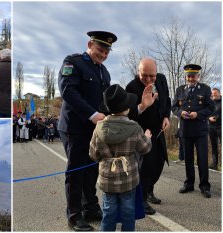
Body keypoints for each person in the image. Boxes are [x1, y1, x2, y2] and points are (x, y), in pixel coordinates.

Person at [58, 31, 116, 231]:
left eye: (107, 51)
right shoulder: (73, 62)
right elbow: (67, 91)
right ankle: (74, 215)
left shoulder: (104, 72)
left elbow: (106, 101)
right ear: (90, 44)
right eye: (100, 49)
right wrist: (92, 114)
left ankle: (90, 206)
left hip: (95, 130)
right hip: (74, 128)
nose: (103, 54)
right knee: (76, 171)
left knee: (91, 170)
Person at [90, 84, 152, 231]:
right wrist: (147, 138)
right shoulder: (135, 127)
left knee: (108, 212)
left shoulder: (98, 128)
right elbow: (145, 148)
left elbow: (93, 155)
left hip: (107, 180)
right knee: (128, 212)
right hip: (128, 179)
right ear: (127, 108)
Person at [125, 58, 171, 215]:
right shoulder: (131, 87)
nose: (148, 79)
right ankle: (141, 199)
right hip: (143, 134)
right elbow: (129, 114)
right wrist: (143, 106)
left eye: (152, 76)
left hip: (159, 131)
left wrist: (166, 117)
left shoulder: (162, 80)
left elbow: (167, 100)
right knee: (145, 167)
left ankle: (149, 190)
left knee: (159, 164)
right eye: (144, 75)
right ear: (138, 72)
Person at [172, 64, 214, 198]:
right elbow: (173, 107)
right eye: (188, 76)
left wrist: (198, 114)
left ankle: (204, 186)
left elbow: (211, 108)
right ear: (186, 76)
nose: (191, 78)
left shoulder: (206, 89)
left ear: (198, 76)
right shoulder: (180, 90)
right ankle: (189, 184)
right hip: (185, 130)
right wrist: (180, 112)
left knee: (202, 159)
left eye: (193, 76)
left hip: (200, 130)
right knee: (188, 159)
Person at [208, 88, 221, 170]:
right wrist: (209, 118)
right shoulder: (210, 103)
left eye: (215, 93)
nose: (214, 95)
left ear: (219, 93)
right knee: (214, 146)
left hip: (221, 127)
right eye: (212, 93)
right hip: (211, 127)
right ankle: (214, 164)